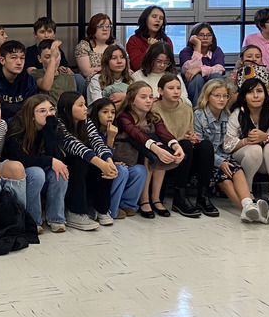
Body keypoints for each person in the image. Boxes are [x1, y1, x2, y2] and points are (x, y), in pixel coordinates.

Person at [194, 80, 269, 223]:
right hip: (205, 160)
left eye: (225, 96)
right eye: (217, 96)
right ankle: (249, 208)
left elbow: (227, 144)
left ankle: (248, 207)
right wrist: (220, 161)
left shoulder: (227, 116)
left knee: (237, 170)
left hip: (224, 156)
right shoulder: (199, 116)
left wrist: (225, 160)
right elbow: (200, 145)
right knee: (225, 179)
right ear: (207, 96)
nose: (222, 99)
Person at [115, 82, 184, 218]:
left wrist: (176, 146)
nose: (148, 101)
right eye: (143, 97)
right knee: (152, 154)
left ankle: (155, 198)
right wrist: (156, 149)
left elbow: (164, 133)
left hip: (145, 149)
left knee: (161, 153)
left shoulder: (154, 116)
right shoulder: (124, 117)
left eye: (151, 97)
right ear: (132, 99)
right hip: (128, 156)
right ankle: (144, 200)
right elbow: (136, 134)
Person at [4, 94, 70, 232]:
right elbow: (17, 157)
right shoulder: (17, 125)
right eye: (42, 111)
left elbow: (57, 157)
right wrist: (49, 160)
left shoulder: (54, 125)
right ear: (32, 115)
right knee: (37, 173)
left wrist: (49, 132)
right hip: (20, 169)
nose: (49, 114)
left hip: (41, 164)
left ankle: (56, 218)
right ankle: (33, 220)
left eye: (51, 109)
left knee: (60, 171)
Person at [154, 74, 215, 217]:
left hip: (185, 153)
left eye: (178, 88)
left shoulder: (187, 109)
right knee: (185, 144)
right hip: (166, 154)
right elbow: (160, 136)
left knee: (205, 145)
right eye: (171, 88)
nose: (176, 91)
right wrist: (184, 140)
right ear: (160, 91)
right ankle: (180, 197)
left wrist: (192, 137)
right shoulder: (154, 108)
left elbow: (189, 132)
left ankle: (203, 196)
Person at [56, 92, 118, 230]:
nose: (85, 108)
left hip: (85, 163)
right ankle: (75, 212)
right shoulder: (59, 123)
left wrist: (109, 161)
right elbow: (75, 146)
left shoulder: (86, 121)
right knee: (80, 161)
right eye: (81, 105)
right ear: (67, 109)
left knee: (104, 163)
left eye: (85, 104)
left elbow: (97, 143)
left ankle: (101, 209)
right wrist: (102, 163)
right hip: (65, 166)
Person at [224, 77, 269, 211]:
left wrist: (265, 137)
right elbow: (227, 146)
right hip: (245, 158)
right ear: (244, 96)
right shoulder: (237, 113)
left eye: (259, 91)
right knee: (254, 149)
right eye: (251, 92)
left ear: (265, 94)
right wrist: (246, 141)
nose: (256, 96)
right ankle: (248, 191)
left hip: (267, 160)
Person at [89, 98, 145, 219]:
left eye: (113, 112)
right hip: (95, 169)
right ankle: (110, 208)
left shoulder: (115, 128)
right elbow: (100, 157)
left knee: (140, 170)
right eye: (105, 112)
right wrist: (110, 139)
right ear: (96, 113)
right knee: (121, 171)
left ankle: (126, 204)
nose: (110, 116)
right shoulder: (91, 131)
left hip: (114, 162)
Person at [0, 40, 56, 119]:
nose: (19, 62)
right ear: (2, 60)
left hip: (24, 121)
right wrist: (25, 110)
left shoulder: (29, 80)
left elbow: (32, 105)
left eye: (22, 58)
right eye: (13, 58)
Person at [178, 23, 226, 104]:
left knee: (216, 76)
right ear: (193, 37)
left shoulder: (217, 51)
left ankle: (214, 108)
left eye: (208, 35)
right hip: (192, 85)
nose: (205, 38)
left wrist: (200, 69)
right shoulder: (185, 52)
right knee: (196, 78)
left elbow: (219, 69)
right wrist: (198, 47)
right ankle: (197, 110)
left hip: (209, 83)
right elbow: (190, 71)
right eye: (201, 35)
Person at [126, 5, 172, 70]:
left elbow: (170, 66)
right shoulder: (134, 40)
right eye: (154, 17)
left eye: (161, 18)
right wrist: (150, 49)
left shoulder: (166, 40)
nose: (158, 20)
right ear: (145, 19)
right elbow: (137, 66)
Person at [76, 13, 117, 81]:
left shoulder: (116, 44)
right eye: (100, 26)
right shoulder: (84, 46)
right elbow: (86, 72)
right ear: (93, 29)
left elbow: (125, 67)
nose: (105, 29)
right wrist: (112, 68)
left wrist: (98, 69)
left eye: (108, 26)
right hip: (95, 82)